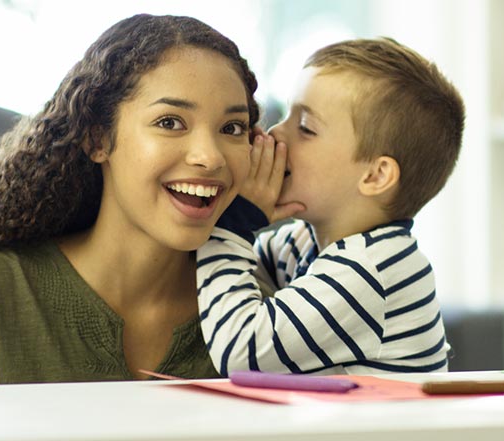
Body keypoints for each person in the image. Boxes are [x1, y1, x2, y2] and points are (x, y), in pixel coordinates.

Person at [0, 14, 260, 387]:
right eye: (170, 122)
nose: (210, 156)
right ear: (98, 138)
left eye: (232, 127)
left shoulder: (262, 313)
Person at [196, 38, 464, 376]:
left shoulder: (370, 270)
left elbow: (241, 352)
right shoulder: (306, 241)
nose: (275, 133)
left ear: (375, 175)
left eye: (305, 128)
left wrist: (234, 225)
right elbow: (230, 275)